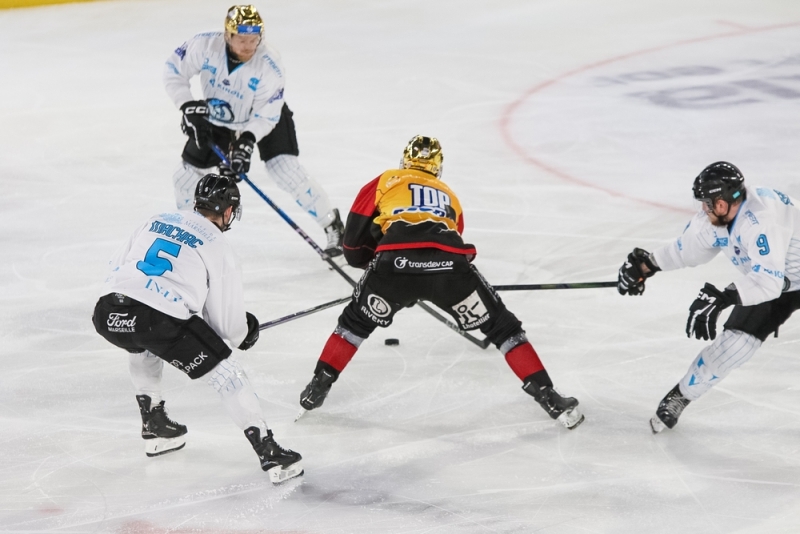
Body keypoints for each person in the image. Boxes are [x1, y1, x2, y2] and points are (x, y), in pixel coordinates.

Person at [296, 135, 584, 429]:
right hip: (450, 270)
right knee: (503, 329)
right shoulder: (450, 195)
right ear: (437, 168)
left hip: (392, 266)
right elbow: (450, 242)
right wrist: (428, 282)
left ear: (404, 161)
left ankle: (318, 386)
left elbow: (353, 247)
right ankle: (549, 398)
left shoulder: (386, 179)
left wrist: (386, 269)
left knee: (353, 325)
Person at [92, 173, 303, 484]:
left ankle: (155, 425)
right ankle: (269, 453)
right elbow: (228, 329)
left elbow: (114, 266)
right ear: (229, 210)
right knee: (227, 374)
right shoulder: (219, 246)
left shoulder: (157, 218)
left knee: (143, 341)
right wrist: (248, 331)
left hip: (108, 312)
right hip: (158, 320)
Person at [617, 161, 800, 433]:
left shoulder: (762, 220)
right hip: (778, 281)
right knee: (734, 346)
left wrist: (724, 297)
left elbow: (768, 283)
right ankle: (680, 395)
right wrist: (646, 265)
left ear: (723, 202)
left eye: (707, 202)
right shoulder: (717, 218)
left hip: (773, 280)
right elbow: (686, 250)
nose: (703, 209)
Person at [163, 4, 344, 257]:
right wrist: (188, 106)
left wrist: (246, 143)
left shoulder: (269, 64)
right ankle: (190, 233)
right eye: (242, 39)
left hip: (264, 118)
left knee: (285, 171)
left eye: (254, 39)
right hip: (218, 118)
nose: (249, 45)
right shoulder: (204, 45)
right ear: (228, 35)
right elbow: (173, 70)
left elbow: (267, 114)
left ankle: (332, 224)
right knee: (184, 178)